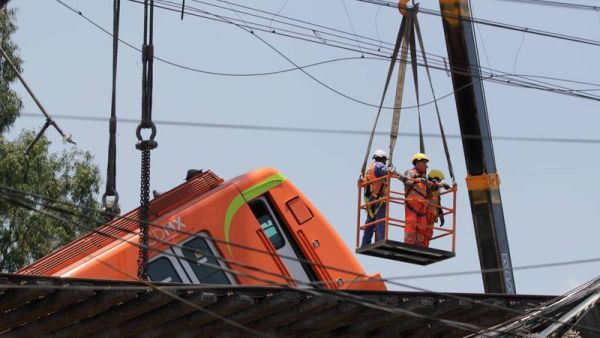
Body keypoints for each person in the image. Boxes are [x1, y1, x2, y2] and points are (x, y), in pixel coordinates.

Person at [361, 149, 394, 247]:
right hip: (378, 198)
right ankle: (381, 240)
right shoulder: (379, 165)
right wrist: (392, 171)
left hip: (369, 199)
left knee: (370, 221)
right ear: (383, 159)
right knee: (380, 219)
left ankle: (365, 243)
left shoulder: (369, 167)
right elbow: (386, 171)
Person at [403, 153, 429, 246]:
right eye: (424, 163)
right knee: (411, 224)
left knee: (422, 226)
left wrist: (435, 184)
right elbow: (406, 181)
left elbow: (429, 190)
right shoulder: (410, 172)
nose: (426, 166)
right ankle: (409, 243)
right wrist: (418, 179)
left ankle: (419, 244)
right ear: (417, 163)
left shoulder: (424, 176)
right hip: (412, 203)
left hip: (422, 204)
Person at [424, 169, 451, 248]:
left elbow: (438, 204)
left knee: (428, 233)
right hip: (424, 212)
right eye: (439, 179)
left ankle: (425, 247)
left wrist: (441, 216)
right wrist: (441, 184)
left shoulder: (437, 190)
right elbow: (434, 183)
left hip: (432, 214)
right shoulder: (429, 184)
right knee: (422, 230)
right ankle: (420, 246)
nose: (439, 181)